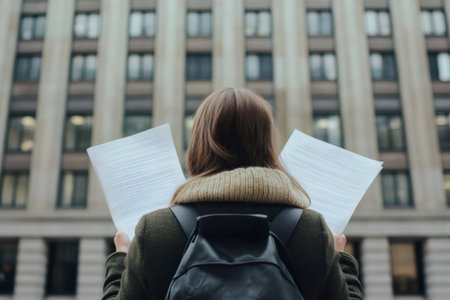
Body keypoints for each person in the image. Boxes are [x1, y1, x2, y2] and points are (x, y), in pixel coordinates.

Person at [102, 88, 363, 300]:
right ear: (266, 143)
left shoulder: (154, 230)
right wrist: (341, 260)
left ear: (199, 144)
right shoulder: (311, 230)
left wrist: (121, 260)